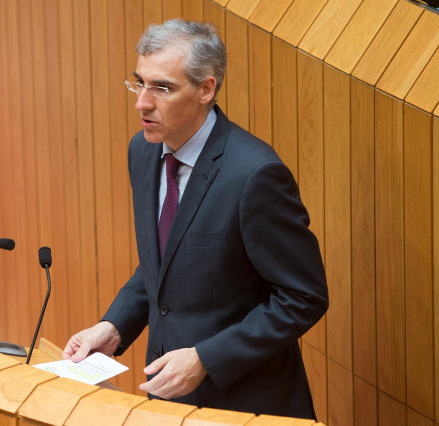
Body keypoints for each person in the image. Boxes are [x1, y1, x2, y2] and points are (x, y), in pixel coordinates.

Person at [62, 19, 328, 420]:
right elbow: (164, 264)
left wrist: (207, 358)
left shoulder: (254, 175)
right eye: (140, 83)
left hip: (245, 407)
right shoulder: (144, 151)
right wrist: (114, 326)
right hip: (168, 402)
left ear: (206, 89)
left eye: (162, 88)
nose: (142, 103)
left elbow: (303, 297)